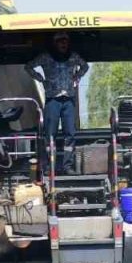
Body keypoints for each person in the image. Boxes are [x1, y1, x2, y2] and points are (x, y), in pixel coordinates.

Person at [28, 31, 89, 176]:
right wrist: (40, 78)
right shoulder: (46, 57)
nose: (63, 43)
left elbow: (85, 66)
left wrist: (77, 76)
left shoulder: (73, 56)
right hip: (52, 99)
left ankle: (67, 166)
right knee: (50, 133)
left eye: (65, 41)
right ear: (55, 43)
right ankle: (50, 166)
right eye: (60, 41)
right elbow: (28, 67)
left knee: (70, 133)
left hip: (68, 99)